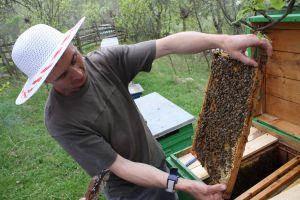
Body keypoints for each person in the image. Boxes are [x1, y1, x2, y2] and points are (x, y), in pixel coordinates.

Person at [12, 17, 272, 200]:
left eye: (74, 58)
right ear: (45, 82)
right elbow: (122, 166)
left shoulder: (104, 61)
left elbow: (167, 44)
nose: (78, 73)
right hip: (131, 192)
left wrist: (223, 40)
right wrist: (180, 184)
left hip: (158, 164)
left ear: (75, 46)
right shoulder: (60, 121)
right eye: (62, 75)